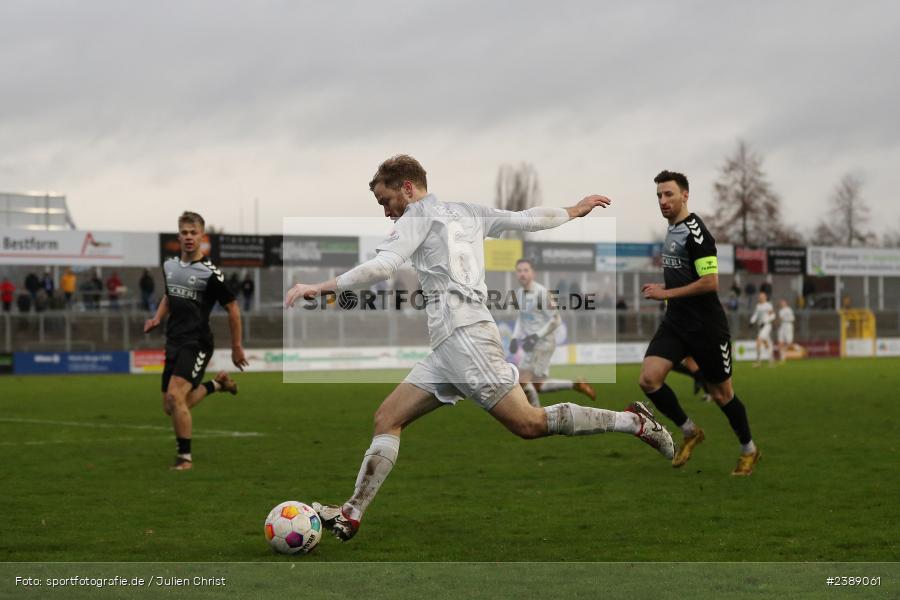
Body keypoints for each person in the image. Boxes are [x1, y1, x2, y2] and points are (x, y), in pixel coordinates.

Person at [284, 155, 674, 542]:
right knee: (387, 417)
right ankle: (351, 513)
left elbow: (383, 266)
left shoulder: (417, 216)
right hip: (449, 346)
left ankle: (633, 422)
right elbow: (526, 219)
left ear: (407, 187)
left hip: (465, 338)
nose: (387, 213)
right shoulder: (467, 212)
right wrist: (573, 210)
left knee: (529, 424)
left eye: (387, 202)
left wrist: (320, 287)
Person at [638, 170, 760, 476]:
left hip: (706, 328)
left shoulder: (697, 233)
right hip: (676, 322)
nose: (663, 201)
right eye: (659, 196)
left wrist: (665, 292)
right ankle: (690, 430)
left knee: (722, 395)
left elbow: (710, 283)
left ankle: (749, 449)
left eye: (668, 194)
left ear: (685, 195)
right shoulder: (671, 228)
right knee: (649, 379)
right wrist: (668, 294)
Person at [144, 211, 249, 470]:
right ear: (178, 235)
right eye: (184, 232)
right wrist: (157, 317)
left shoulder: (210, 273)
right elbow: (170, 297)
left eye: (194, 233)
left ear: (202, 236)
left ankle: (185, 458)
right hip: (174, 341)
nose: (189, 237)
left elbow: (233, 308)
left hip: (197, 342)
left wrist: (236, 347)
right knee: (171, 405)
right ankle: (217, 385)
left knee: (175, 396)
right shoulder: (170, 266)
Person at [509, 258, 595, 407]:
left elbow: (556, 320)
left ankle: (536, 414)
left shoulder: (542, 293)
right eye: (519, 270)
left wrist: (535, 336)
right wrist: (514, 338)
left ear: (533, 273)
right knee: (537, 386)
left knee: (522, 380)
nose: (522, 273)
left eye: (526, 270)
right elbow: (522, 318)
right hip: (534, 343)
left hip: (543, 343)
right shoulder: (519, 293)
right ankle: (575, 384)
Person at [750, 291, 775, 367]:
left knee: (758, 340)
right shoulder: (758, 306)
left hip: (767, 326)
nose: (760, 297)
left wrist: (765, 321)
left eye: (762, 296)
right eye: (759, 296)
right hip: (760, 327)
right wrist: (751, 321)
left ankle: (758, 362)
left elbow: (773, 315)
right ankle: (771, 360)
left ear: (765, 297)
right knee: (766, 343)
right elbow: (755, 315)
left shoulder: (768, 305)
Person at [776, 299, 795, 364]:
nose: (781, 304)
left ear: (786, 303)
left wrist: (784, 319)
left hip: (788, 326)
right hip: (782, 327)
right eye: (781, 303)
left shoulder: (789, 310)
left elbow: (792, 318)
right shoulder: (780, 311)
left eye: (783, 303)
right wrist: (778, 323)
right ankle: (782, 358)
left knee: (789, 343)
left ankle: (799, 349)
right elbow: (780, 320)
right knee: (780, 343)